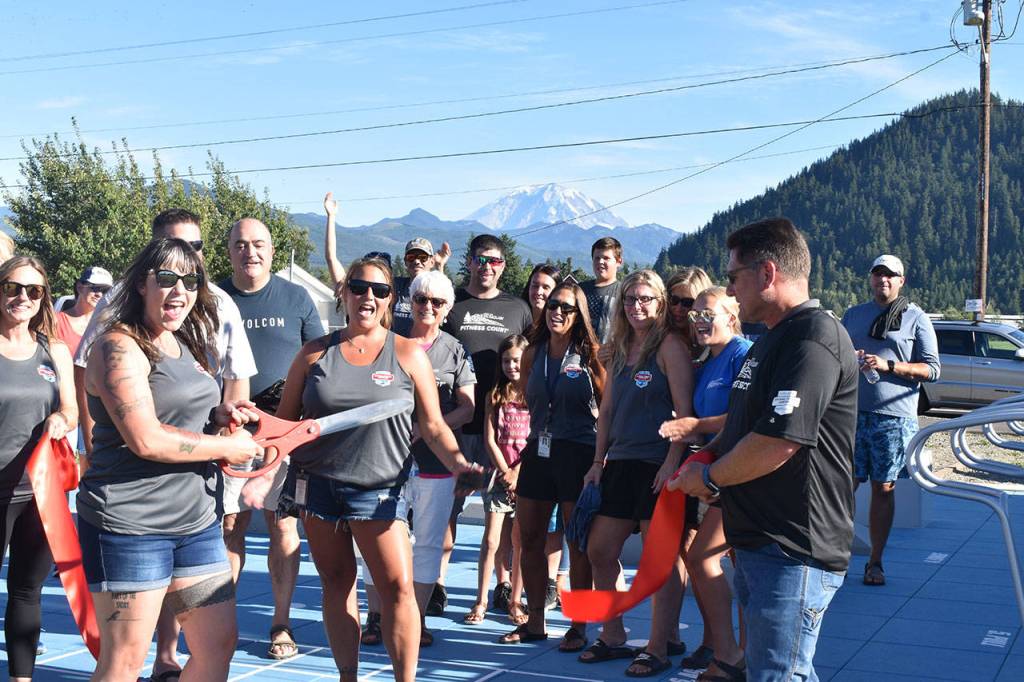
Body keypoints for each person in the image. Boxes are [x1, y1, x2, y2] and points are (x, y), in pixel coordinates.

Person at [272, 256, 478, 682]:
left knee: (399, 590)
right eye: (360, 288)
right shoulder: (313, 354)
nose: (368, 297)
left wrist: (460, 465)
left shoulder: (406, 354)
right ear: (344, 292)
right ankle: (348, 676)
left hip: (379, 491)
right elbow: (285, 424)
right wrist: (243, 429)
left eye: (380, 291)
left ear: (391, 299)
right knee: (337, 583)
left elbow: (434, 425)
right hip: (318, 489)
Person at [670, 217, 858, 682]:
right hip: (759, 541)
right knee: (773, 671)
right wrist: (708, 454)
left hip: (793, 547)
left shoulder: (813, 340)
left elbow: (778, 441)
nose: (731, 290)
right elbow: (743, 427)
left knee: (779, 673)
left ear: (768, 273)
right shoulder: (771, 341)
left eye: (734, 277)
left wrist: (710, 480)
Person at [72, 208, 257, 680]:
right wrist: (225, 449)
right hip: (130, 526)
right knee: (125, 660)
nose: (180, 292)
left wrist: (220, 417)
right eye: (168, 279)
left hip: (194, 524)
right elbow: (146, 437)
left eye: (191, 282)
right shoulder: (118, 345)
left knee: (217, 645)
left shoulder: (186, 341)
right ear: (141, 285)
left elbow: (183, 411)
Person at [218, 217, 326, 659]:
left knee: (282, 525)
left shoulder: (296, 296)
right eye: (241, 244)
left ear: (272, 250)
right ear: (229, 251)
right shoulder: (213, 299)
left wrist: (302, 424)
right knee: (230, 525)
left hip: (284, 431)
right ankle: (220, 621)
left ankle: (280, 624)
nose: (250, 252)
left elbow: (321, 363)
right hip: (229, 430)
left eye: (258, 244)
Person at [580, 270, 692, 677]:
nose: (636, 306)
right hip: (621, 464)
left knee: (658, 560)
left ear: (660, 303)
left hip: (657, 465)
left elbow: (685, 413)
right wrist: (597, 463)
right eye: (629, 299)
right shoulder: (620, 347)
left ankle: (659, 646)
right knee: (600, 551)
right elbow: (607, 410)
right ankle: (612, 635)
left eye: (645, 299)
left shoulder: (670, 347)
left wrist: (671, 461)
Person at [361, 270, 476, 647]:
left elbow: (469, 408)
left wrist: (430, 426)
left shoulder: (455, 350)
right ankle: (376, 617)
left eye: (437, 302)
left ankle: (417, 620)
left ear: (447, 308)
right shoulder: (388, 342)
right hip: (384, 460)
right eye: (422, 299)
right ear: (410, 300)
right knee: (377, 538)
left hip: (434, 463)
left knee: (427, 542)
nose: (428, 307)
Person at [498, 281, 606, 652]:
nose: (557, 312)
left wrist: (600, 459)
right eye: (553, 305)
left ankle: (578, 626)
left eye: (566, 307)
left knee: (577, 544)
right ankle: (536, 622)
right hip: (539, 452)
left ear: (579, 316)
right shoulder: (533, 353)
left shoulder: (592, 355)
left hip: (578, 453)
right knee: (528, 539)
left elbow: (608, 407)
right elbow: (530, 397)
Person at [436, 234, 532, 614]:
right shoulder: (453, 304)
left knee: (504, 518)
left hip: (507, 431)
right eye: (480, 260)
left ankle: (503, 585)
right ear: (470, 262)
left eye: (494, 261)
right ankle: (438, 584)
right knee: (449, 508)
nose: (487, 267)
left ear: (503, 266)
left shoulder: (518, 308)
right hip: (459, 425)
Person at [660, 287, 752, 678]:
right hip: (715, 469)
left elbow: (745, 415)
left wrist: (697, 428)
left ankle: (736, 653)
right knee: (724, 561)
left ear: (731, 316)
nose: (698, 320)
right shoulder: (707, 360)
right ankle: (733, 652)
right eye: (694, 314)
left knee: (716, 559)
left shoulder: (743, 353)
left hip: (740, 472)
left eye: (707, 313)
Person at [0, 257, 77, 682]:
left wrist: (61, 421)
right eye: (13, 287)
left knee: (27, 591)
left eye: (33, 291)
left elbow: (71, 410)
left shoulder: (54, 349)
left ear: (43, 297)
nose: (22, 298)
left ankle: (21, 678)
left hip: (40, 492)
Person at [841, 254, 939, 587]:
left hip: (894, 418)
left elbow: (932, 369)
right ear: (870, 278)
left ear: (901, 281)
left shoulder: (915, 318)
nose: (883, 279)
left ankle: (875, 562)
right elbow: (834, 359)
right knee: (842, 486)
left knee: (883, 489)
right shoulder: (853, 315)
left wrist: (889, 366)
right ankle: (833, 555)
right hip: (851, 414)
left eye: (890, 275)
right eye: (878, 273)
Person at [465, 334, 530, 626]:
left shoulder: (535, 393)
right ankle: (480, 599)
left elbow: (539, 435)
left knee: (520, 542)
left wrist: (518, 472)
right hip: (498, 477)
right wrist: (505, 472)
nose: (511, 366)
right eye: (506, 360)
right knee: (491, 541)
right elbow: (490, 438)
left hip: (526, 478)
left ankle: (516, 600)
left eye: (516, 360)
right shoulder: (494, 394)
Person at [323, 192, 450, 336]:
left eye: (422, 257)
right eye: (411, 256)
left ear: (431, 261)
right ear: (405, 262)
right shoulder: (392, 287)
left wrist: (440, 268)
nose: (416, 261)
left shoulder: (432, 297)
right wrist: (331, 218)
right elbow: (332, 261)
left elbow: (440, 296)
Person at [55, 266, 113, 357]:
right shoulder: (56, 321)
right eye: (95, 288)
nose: (99, 294)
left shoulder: (106, 328)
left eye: (105, 291)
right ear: (80, 287)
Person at [580, 237, 623, 343]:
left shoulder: (624, 292)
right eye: (597, 258)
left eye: (606, 258)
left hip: (611, 355)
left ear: (618, 262)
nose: (600, 262)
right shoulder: (580, 289)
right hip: (579, 354)